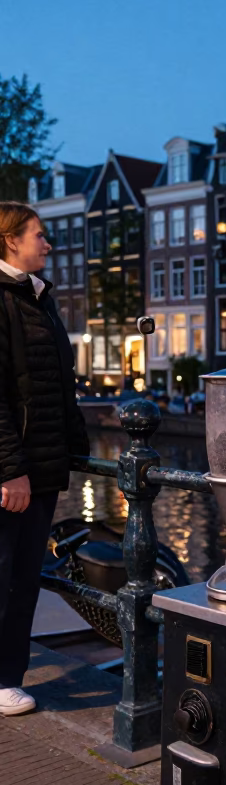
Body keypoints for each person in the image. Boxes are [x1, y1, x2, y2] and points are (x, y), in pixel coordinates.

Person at [0, 202, 89, 716]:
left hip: (42, 465)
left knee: (25, 577)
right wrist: (10, 469)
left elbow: (57, 384)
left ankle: (7, 674)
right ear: (11, 240)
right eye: (39, 235)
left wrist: (77, 448)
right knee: (4, 577)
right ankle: (2, 680)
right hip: (16, 473)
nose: (48, 244)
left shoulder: (39, 299)